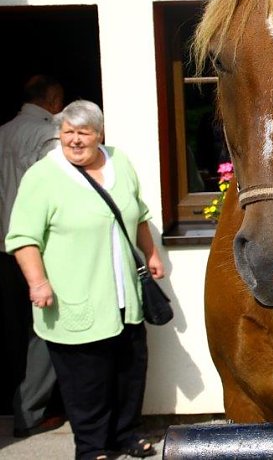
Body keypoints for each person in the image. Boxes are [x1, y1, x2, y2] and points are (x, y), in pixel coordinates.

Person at [5, 100, 166, 460]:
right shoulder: (43, 177)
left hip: (126, 299)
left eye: (83, 133)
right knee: (86, 382)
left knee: (129, 372)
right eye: (67, 133)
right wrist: (38, 282)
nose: (75, 140)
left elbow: (137, 212)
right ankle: (92, 448)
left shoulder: (119, 161)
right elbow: (23, 238)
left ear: (100, 135)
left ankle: (126, 434)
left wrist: (151, 253)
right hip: (75, 299)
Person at [0, 74, 65, 438]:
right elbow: (60, 187)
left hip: (4, 245)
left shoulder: (3, 131)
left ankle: (20, 401)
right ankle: (32, 408)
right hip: (39, 246)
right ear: (54, 98)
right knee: (46, 328)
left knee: (15, 328)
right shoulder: (47, 134)